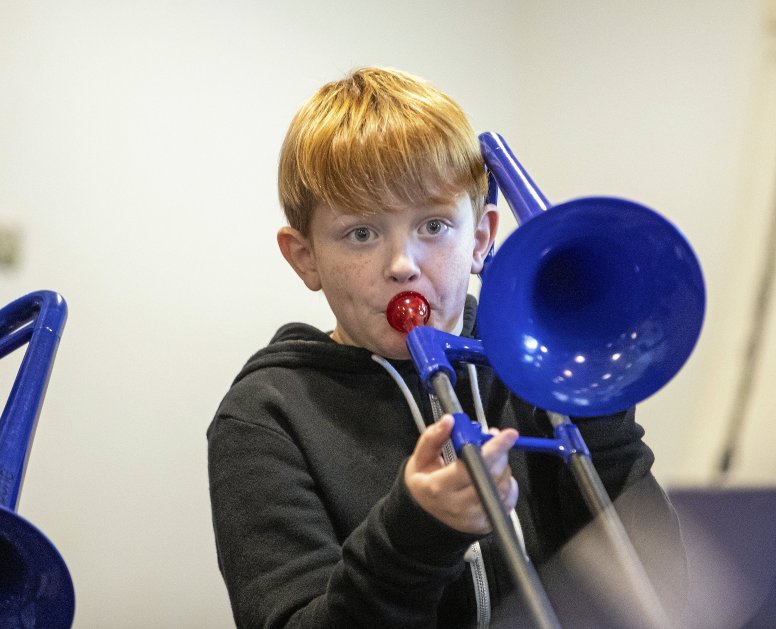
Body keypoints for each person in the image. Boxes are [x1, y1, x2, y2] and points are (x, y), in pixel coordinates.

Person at [207, 66, 688, 628]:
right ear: (304, 257)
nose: (402, 266)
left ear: (482, 238)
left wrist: (606, 436)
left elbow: (663, 595)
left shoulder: (537, 365)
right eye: (361, 233)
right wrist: (414, 535)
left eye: (433, 226)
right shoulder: (266, 416)